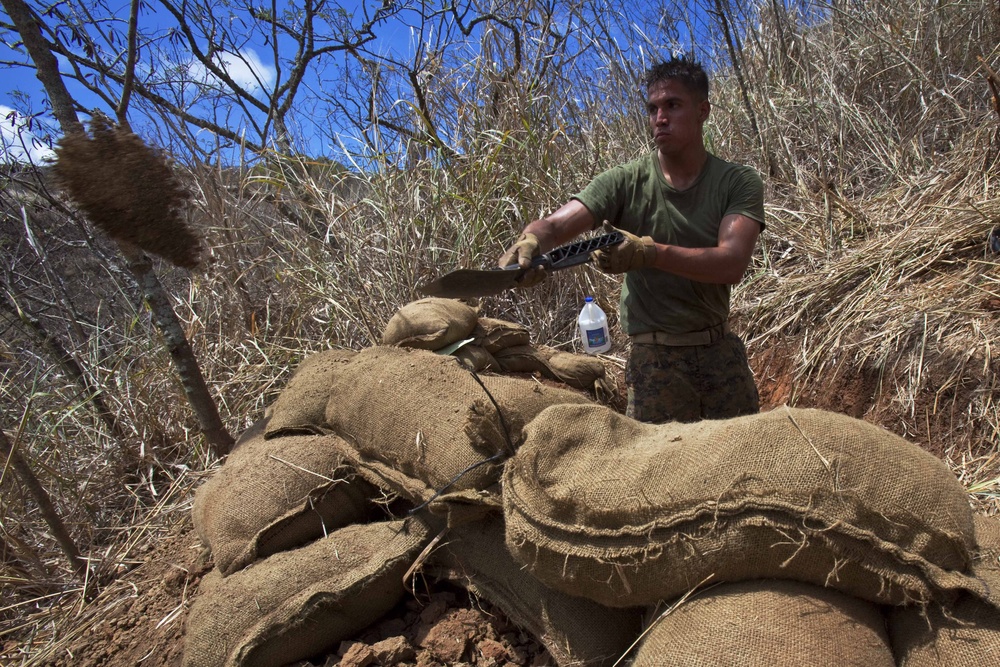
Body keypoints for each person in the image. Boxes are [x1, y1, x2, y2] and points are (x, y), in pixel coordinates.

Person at [498, 55, 765, 424]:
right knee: (657, 474)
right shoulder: (624, 182)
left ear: (702, 110)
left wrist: (649, 253)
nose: (660, 118)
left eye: (673, 105)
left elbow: (731, 262)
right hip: (654, 364)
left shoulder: (737, 182)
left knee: (745, 460)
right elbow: (557, 226)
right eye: (652, 108)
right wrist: (530, 241)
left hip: (720, 354)